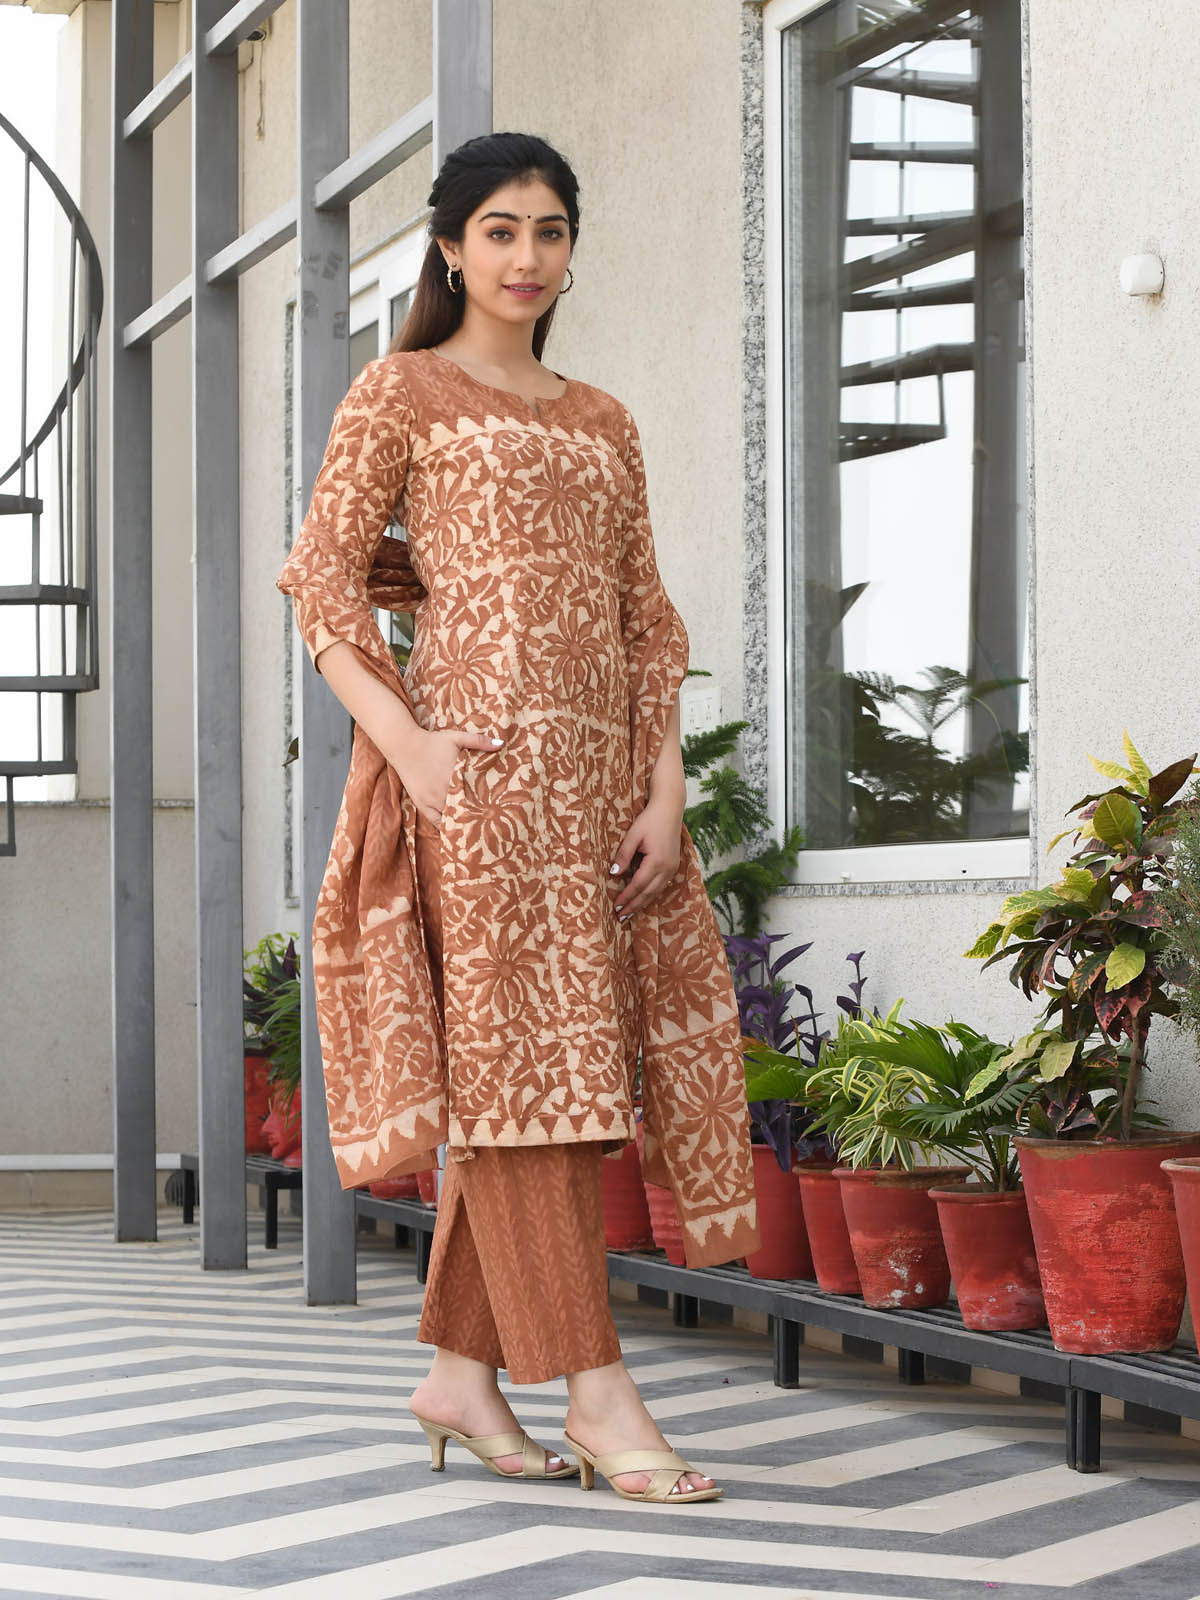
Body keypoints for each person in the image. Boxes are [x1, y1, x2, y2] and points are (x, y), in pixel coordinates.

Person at [277, 131, 760, 1506]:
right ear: (450, 247)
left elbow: (647, 623)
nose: (526, 256)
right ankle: (599, 1395)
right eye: (499, 230)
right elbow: (320, 583)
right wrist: (413, 750)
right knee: (527, 1087)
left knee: (561, 1085)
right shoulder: (401, 392)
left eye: (549, 231)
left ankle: (459, 1378)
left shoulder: (603, 418)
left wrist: (664, 792)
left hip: (599, 799)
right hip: (478, 791)